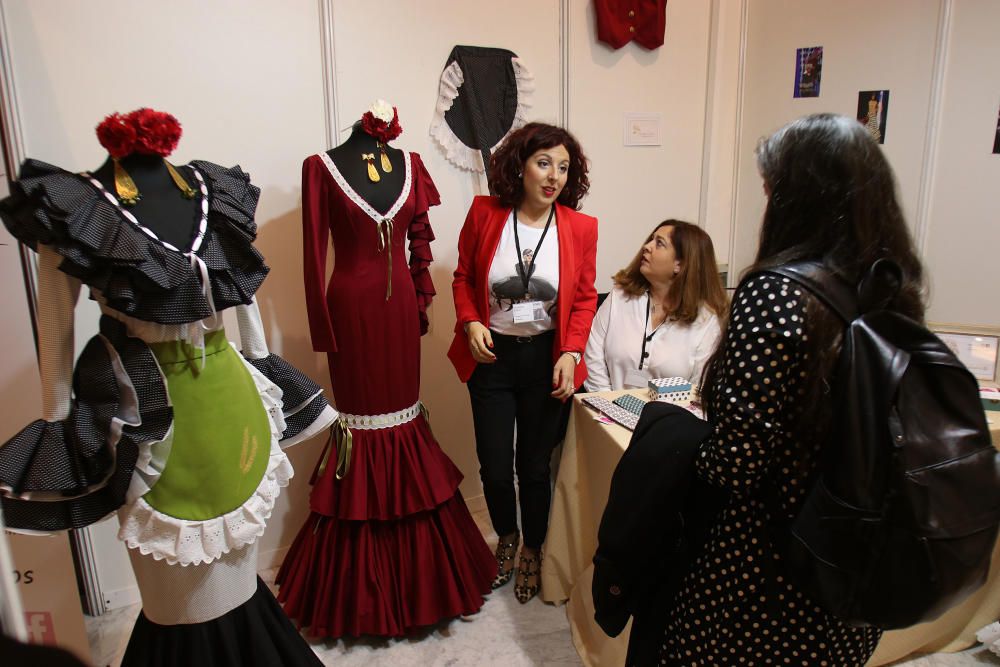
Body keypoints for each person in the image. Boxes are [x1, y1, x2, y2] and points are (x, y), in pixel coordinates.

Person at [659, 113, 925, 665]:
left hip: (772, 556)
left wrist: (678, 454)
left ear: (799, 196)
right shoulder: (889, 284)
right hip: (856, 542)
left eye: (771, 187)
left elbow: (741, 460)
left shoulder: (776, 291)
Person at [448, 122, 598, 603]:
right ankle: (506, 539)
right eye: (543, 162)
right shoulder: (485, 213)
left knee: (533, 466)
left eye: (563, 167)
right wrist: (471, 321)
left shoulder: (580, 227)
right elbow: (463, 276)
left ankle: (533, 547)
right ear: (520, 165)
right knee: (494, 465)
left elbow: (584, 300)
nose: (553, 176)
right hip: (490, 356)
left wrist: (572, 352)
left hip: (546, 358)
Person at [583, 220, 726, 392]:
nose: (647, 246)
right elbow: (592, 357)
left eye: (659, 243)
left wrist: (658, 419)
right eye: (651, 239)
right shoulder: (620, 297)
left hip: (669, 417)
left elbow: (700, 390)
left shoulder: (706, 321)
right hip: (605, 413)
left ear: (680, 265)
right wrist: (608, 406)